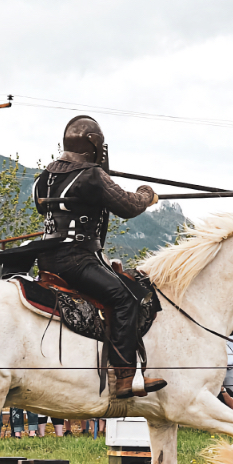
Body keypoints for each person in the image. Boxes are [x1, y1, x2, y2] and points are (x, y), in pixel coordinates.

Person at [32, 115, 165, 400]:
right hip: (77, 260)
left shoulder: (45, 177)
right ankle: (126, 377)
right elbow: (128, 206)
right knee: (125, 297)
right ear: (94, 144)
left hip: (46, 258)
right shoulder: (91, 175)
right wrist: (146, 193)